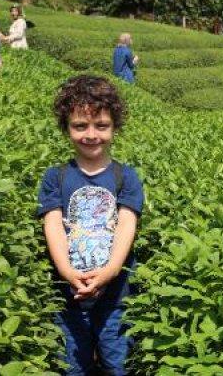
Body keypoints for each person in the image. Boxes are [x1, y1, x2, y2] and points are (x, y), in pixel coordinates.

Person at [37, 75, 144, 375]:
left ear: (114, 127)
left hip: (115, 296)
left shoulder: (127, 177)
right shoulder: (55, 177)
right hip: (69, 295)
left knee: (118, 362)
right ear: (66, 128)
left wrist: (109, 272)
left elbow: (126, 225)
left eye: (101, 125)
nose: (91, 134)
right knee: (73, 366)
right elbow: (53, 225)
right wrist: (67, 272)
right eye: (80, 126)